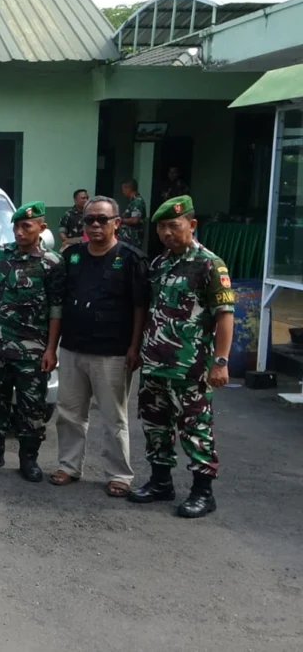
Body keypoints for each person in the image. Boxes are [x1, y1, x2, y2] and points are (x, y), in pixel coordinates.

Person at [129, 196, 233, 519]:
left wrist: (221, 361)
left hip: (191, 367)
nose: (167, 233)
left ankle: (203, 492)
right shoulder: (160, 265)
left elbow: (225, 314)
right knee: (155, 426)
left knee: (195, 428)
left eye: (173, 225)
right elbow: (149, 311)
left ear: (192, 224)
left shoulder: (209, 264)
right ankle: (161, 482)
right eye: (161, 227)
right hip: (155, 365)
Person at [49, 196, 148, 497]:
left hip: (113, 353)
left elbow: (140, 308)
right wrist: (53, 347)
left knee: (113, 417)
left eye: (101, 219)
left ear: (116, 222)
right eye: (89, 219)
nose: (94, 225)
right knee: (69, 413)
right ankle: (68, 466)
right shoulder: (72, 256)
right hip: (73, 349)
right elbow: (59, 303)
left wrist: (135, 347)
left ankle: (119, 474)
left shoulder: (131, 259)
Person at [0, 202, 65, 482]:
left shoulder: (52, 263)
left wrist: (51, 350)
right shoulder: (2, 254)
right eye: (16, 227)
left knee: (31, 407)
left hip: (32, 350)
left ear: (41, 228)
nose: (20, 232)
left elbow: (57, 309)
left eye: (26, 227)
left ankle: (28, 459)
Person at [118, 179, 147, 251]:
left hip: (133, 239)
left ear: (128, 188)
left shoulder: (137, 202)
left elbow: (135, 220)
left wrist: (120, 220)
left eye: (123, 189)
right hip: (126, 239)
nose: (123, 192)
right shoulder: (132, 202)